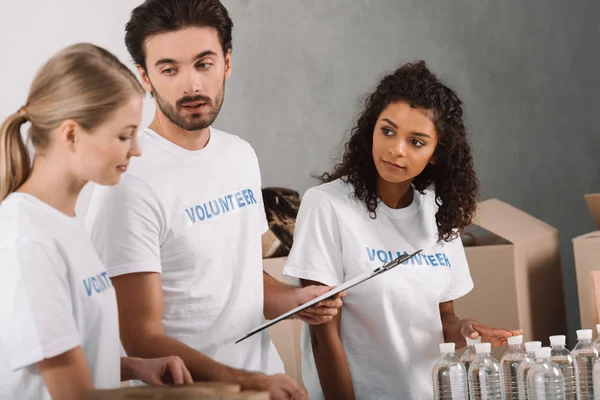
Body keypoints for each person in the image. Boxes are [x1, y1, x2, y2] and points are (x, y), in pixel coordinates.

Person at [85, 1, 342, 399]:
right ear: (144, 77)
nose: (192, 86)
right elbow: (140, 337)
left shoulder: (239, 155)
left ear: (226, 63)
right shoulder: (127, 180)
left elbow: (238, 276)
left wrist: (295, 300)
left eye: (203, 64)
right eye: (169, 69)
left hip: (268, 387)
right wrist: (245, 381)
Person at [282, 61, 522, 399]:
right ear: (371, 129)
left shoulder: (438, 213)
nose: (397, 149)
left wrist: (465, 329)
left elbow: (442, 318)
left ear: (436, 153)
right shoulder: (327, 205)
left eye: (417, 142)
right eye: (388, 131)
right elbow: (324, 336)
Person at [0, 43, 193, 400]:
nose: (136, 149)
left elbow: (65, 350)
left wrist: (134, 366)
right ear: (71, 134)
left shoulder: (64, 222)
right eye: (124, 135)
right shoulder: (28, 238)